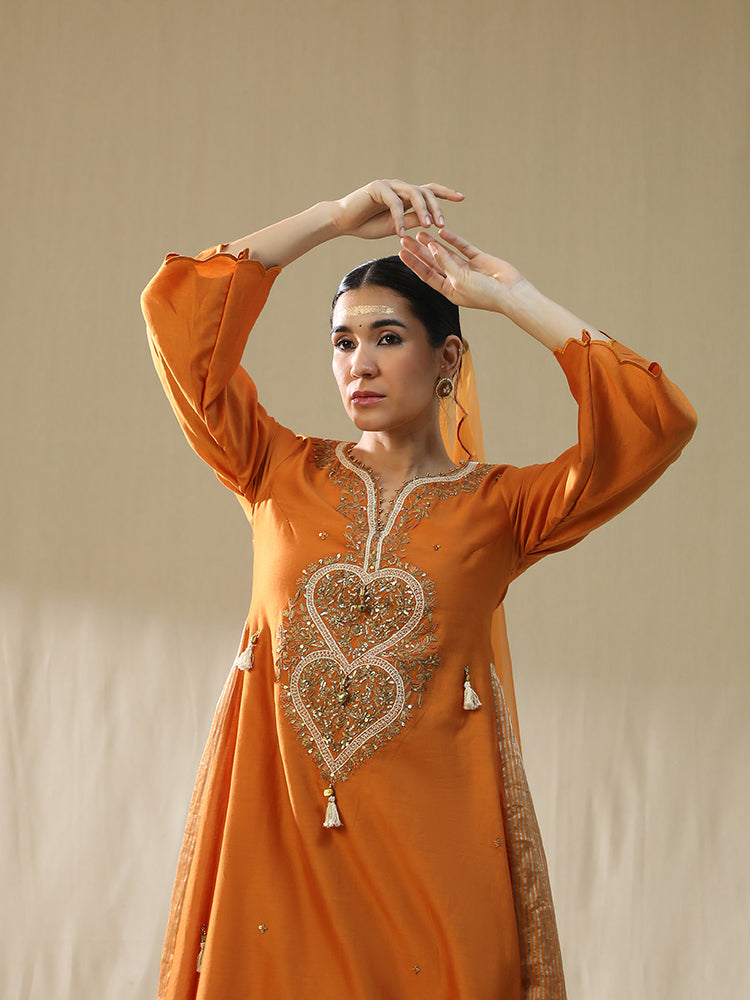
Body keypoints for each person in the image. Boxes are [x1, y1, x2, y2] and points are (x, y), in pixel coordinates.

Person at [141, 179, 696, 1000]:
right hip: (278, 867)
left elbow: (654, 420)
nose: (358, 363)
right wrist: (330, 220)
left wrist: (517, 300)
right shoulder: (275, 471)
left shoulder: (503, 508)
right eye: (342, 341)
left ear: (447, 361)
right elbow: (178, 318)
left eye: (387, 337)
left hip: (436, 881)